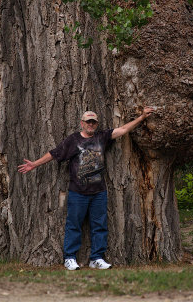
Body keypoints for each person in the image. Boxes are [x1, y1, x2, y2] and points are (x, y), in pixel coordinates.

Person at [18, 107, 154, 270]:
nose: (90, 124)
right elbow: (54, 154)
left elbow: (124, 129)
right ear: (82, 123)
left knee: (100, 226)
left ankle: (96, 258)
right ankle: (69, 258)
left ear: (96, 124)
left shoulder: (102, 137)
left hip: (99, 192)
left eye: (93, 122)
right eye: (88, 122)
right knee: (74, 225)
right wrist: (34, 164)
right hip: (78, 193)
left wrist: (142, 117)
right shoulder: (73, 140)